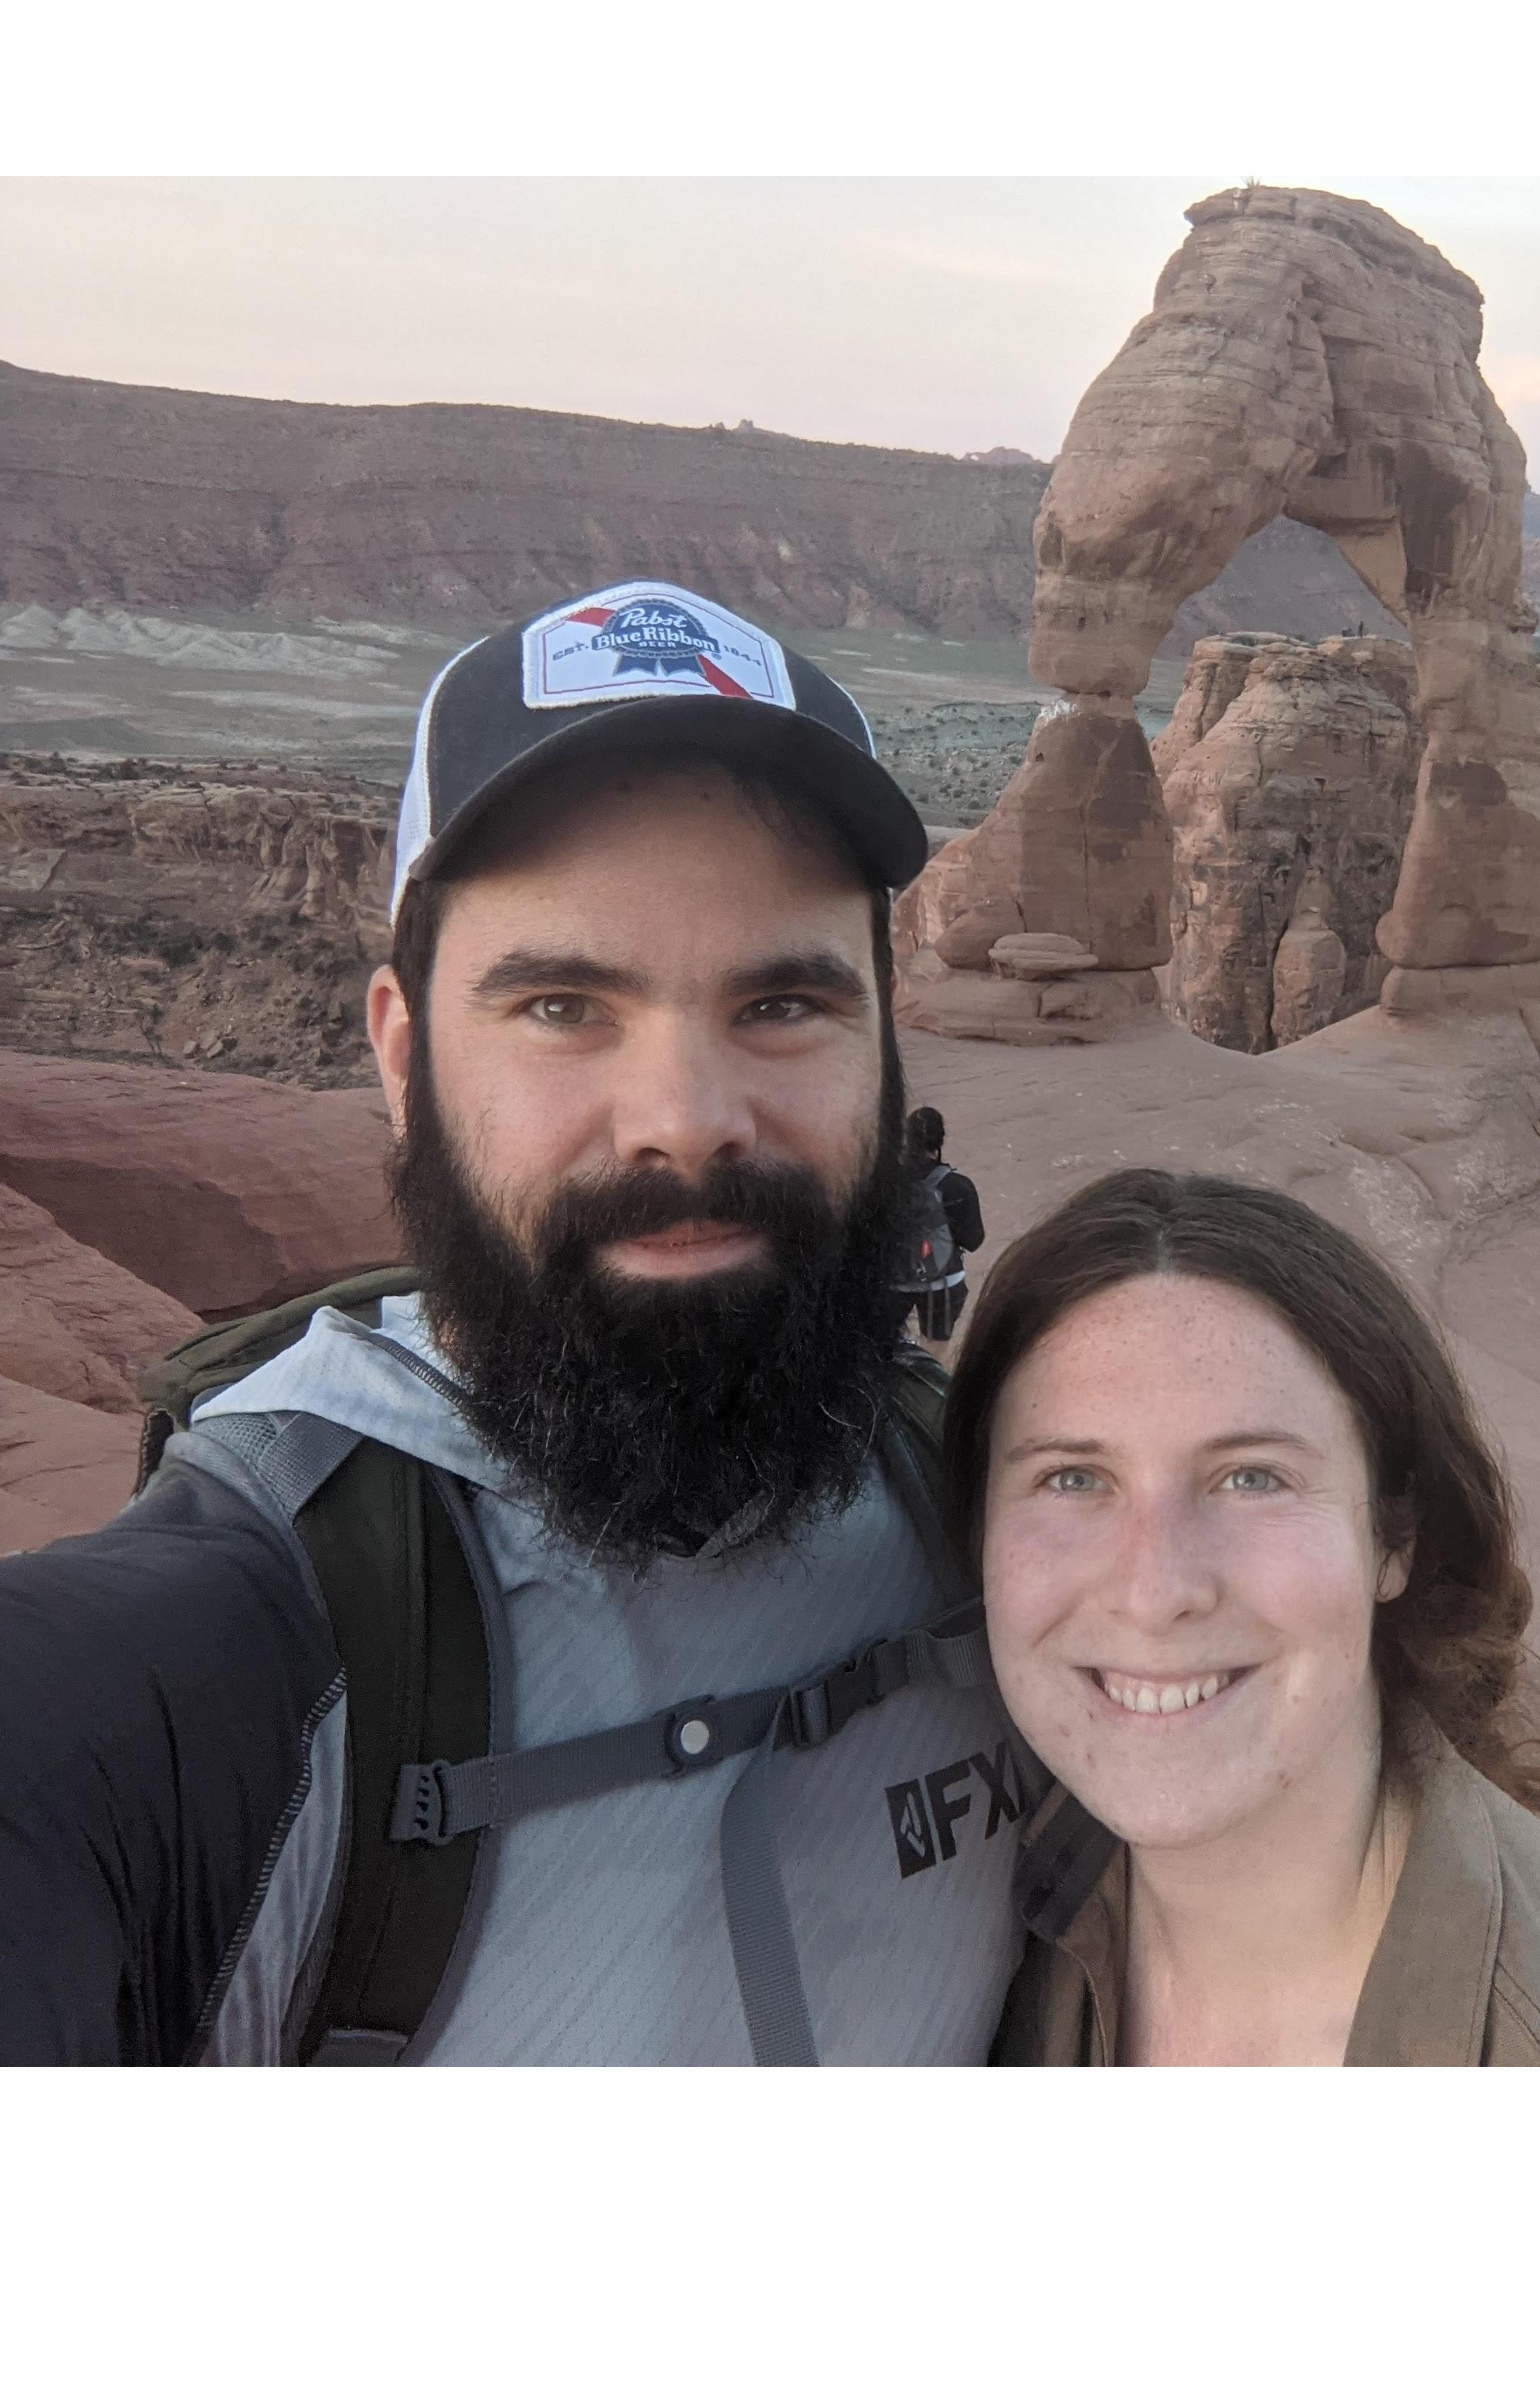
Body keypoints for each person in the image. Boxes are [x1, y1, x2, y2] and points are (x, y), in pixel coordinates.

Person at [0, 579, 1032, 2065]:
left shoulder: (1004, 1536)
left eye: (782, 1005)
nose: (685, 1120)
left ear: (884, 1040)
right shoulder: (203, 1664)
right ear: (403, 1056)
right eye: (561, 1004)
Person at [949, 1168, 1540, 2066]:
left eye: (1253, 1477)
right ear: (980, 1532)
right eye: (1074, 1478)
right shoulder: (981, 1920)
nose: (1155, 1589)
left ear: (1393, 1538)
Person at [895, 1105, 985, 1343]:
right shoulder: (957, 1186)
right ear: (940, 1141)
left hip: (893, 1282)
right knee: (936, 1349)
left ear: (906, 1139)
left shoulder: (884, 1182)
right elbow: (974, 1241)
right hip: (944, 1282)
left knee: (887, 1349)